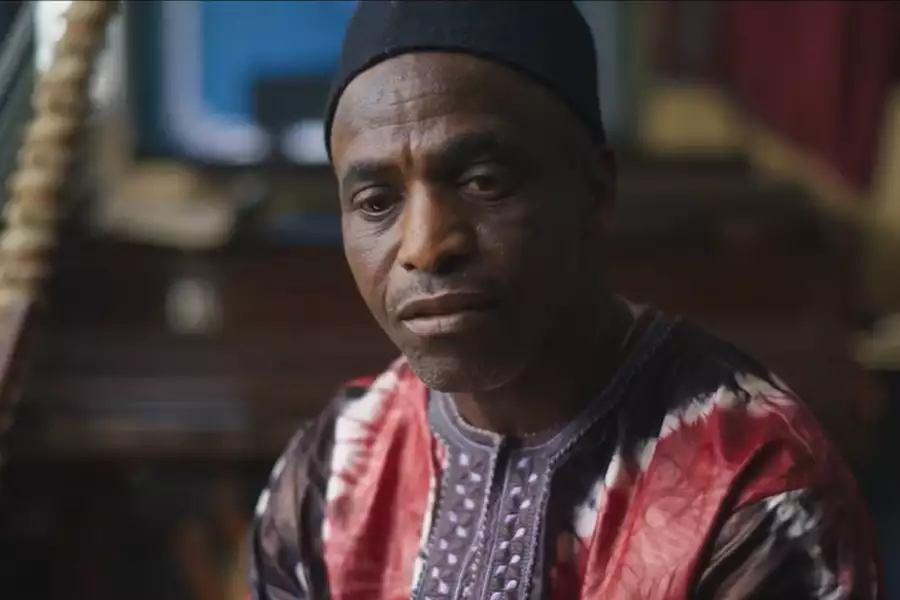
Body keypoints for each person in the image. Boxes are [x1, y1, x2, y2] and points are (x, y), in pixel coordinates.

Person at [250, 2, 883, 599]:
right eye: (376, 202)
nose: (425, 246)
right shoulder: (333, 472)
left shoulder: (751, 485)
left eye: (483, 181)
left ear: (595, 192)